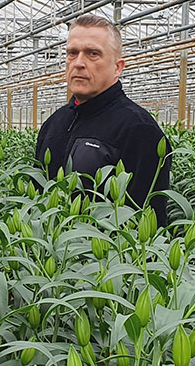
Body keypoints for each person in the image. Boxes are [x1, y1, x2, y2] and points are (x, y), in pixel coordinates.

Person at [34, 14, 171, 225]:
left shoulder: (139, 130)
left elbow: (148, 220)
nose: (79, 63)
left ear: (118, 67)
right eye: (72, 53)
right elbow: (36, 199)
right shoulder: (53, 124)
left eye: (93, 54)